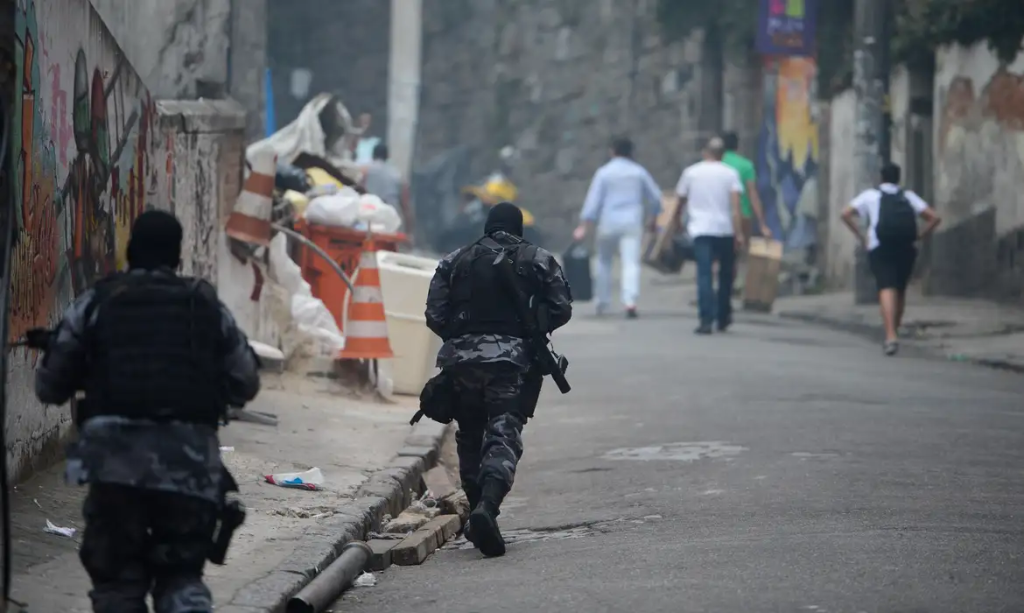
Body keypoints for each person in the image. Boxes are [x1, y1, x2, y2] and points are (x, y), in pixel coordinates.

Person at [34, 210, 261, 613]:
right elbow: (246, 380)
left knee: (118, 586)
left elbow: (49, 386)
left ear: (130, 250)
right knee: (182, 579)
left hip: (115, 467)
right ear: (177, 256)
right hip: (188, 466)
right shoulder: (204, 305)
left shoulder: (97, 303)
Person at [425, 202, 572, 557]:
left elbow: (434, 315)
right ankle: (487, 508)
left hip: (460, 364)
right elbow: (562, 307)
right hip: (510, 363)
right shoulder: (537, 259)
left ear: (487, 226)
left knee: (470, 433)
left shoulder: (454, 259)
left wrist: (463, 340)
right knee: (503, 432)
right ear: (518, 228)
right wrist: (532, 329)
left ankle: (477, 509)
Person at [841, 162, 941, 355]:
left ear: (881, 178)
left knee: (886, 287)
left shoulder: (871, 195)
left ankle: (890, 336)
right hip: (905, 247)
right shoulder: (909, 196)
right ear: (898, 178)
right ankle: (895, 329)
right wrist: (920, 235)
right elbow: (935, 217)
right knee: (900, 289)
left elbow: (844, 214)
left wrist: (861, 235)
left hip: (880, 247)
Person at [573, 137, 662, 319]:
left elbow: (593, 201)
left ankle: (602, 301)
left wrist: (584, 225)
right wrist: (653, 217)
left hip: (608, 222)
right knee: (630, 262)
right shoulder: (638, 172)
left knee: (604, 261)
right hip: (631, 222)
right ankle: (630, 301)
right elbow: (655, 198)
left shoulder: (604, 172)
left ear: (612, 151)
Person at [674, 137, 744, 335]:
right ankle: (723, 316)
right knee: (726, 275)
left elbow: (679, 201)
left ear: (705, 152)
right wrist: (738, 233)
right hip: (724, 230)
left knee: (704, 274)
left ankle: (706, 319)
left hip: (701, 230)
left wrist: (677, 223)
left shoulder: (691, 173)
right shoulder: (731, 174)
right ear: (723, 155)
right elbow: (736, 208)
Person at [722, 132, 771, 242]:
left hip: (720, 216)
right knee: (742, 253)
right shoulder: (746, 165)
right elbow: (753, 195)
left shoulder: (716, 164)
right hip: (743, 215)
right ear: (737, 146)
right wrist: (762, 224)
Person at [362, 143, 414, 235]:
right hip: (389, 220)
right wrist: (409, 233)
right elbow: (406, 206)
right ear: (387, 156)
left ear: (373, 155)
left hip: (368, 218)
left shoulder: (365, 171)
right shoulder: (397, 175)